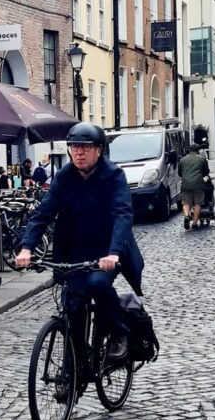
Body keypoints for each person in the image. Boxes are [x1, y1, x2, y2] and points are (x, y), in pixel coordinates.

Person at [16, 122, 144, 370]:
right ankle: (76, 367)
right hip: (73, 252)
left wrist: (114, 253)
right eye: (74, 147)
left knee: (97, 284)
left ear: (99, 150)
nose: (79, 153)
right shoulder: (64, 178)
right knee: (72, 306)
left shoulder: (114, 176)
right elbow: (43, 214)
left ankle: (119, 333)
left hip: (106, 251)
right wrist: (26, 248)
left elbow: (122, 215)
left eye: (85, 148)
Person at [179, 143, 211, 230]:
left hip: (185, 184)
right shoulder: (202, 159)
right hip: (198, 184)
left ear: (189, 150)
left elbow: (179, 173)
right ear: (198, 150)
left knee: (186, 202)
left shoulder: (182, 160)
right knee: (198, 203)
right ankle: (194, 223)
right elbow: (206, 172)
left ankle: (186, 216)